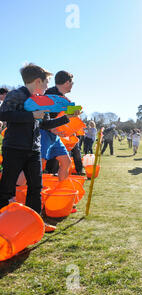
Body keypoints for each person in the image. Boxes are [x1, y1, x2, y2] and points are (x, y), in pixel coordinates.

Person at [0, 64, 75, 232]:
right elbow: (3, 114)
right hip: (14, 148)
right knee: (7, 187)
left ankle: (36, 223)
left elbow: (47, 123)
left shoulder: (41, 101)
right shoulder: (16, 95)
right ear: (37, 82)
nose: (48, 86)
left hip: (34, 149)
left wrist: (67, 118)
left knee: (36, 187)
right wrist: (30, 115)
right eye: (46, 82)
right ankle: (4, 226)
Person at [43, 70, 83, 178]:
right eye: (72, 83)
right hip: (46, 134)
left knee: (64, 162)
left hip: (59, 135)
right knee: (43, 165)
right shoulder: (49, 95)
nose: (72, 86)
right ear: (67, 83)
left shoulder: (66, 99)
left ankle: (54, 185)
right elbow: (46, 118)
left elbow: (67, 118)